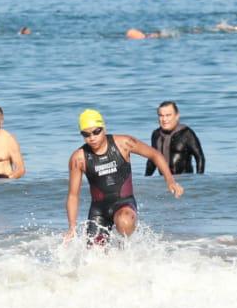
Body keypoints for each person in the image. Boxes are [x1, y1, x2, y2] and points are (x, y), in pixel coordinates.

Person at [63, 109, 183, 242]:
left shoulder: (123, 143)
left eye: (96, 131)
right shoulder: (78, 158)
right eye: (86, 134)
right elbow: (73, 195)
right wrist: (72, 227)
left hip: (124, 205)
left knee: (124, 221)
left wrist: (170, 181)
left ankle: (125, 247)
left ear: (104, 128)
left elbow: (155, 155)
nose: (92, 137)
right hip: (99, 211)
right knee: (94, 256)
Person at [146, 101, 205, 176]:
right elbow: (152, 160)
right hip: (163, 181)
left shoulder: (186, 133)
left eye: (168, 115)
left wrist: (199, 180)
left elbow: (199, 157)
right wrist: (146, 179)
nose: (164, 119)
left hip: (185, 181)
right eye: (161, 116)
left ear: (177, 116)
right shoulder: (156, 134)